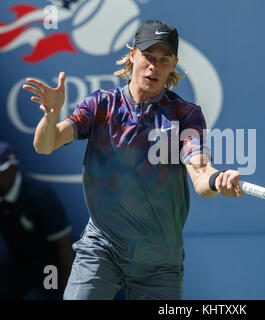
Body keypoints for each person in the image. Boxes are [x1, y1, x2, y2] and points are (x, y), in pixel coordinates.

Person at [22, 19, 243, 300]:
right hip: (102, 248)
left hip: (159, 261)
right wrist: (51, 116)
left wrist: (216, 180)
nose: (154, 66)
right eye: (148, 57)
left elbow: (200, 175)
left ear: (174, 65)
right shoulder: (100, 105)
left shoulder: (185, 115)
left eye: (164, 60)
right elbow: (46, 144)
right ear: (132, 55)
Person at [0, 141, 74, 299]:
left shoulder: (41, 195)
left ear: (14, 167)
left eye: (0, 171)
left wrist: (70, 294)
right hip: (15, 266)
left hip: (49, 269)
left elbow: (64, 247)